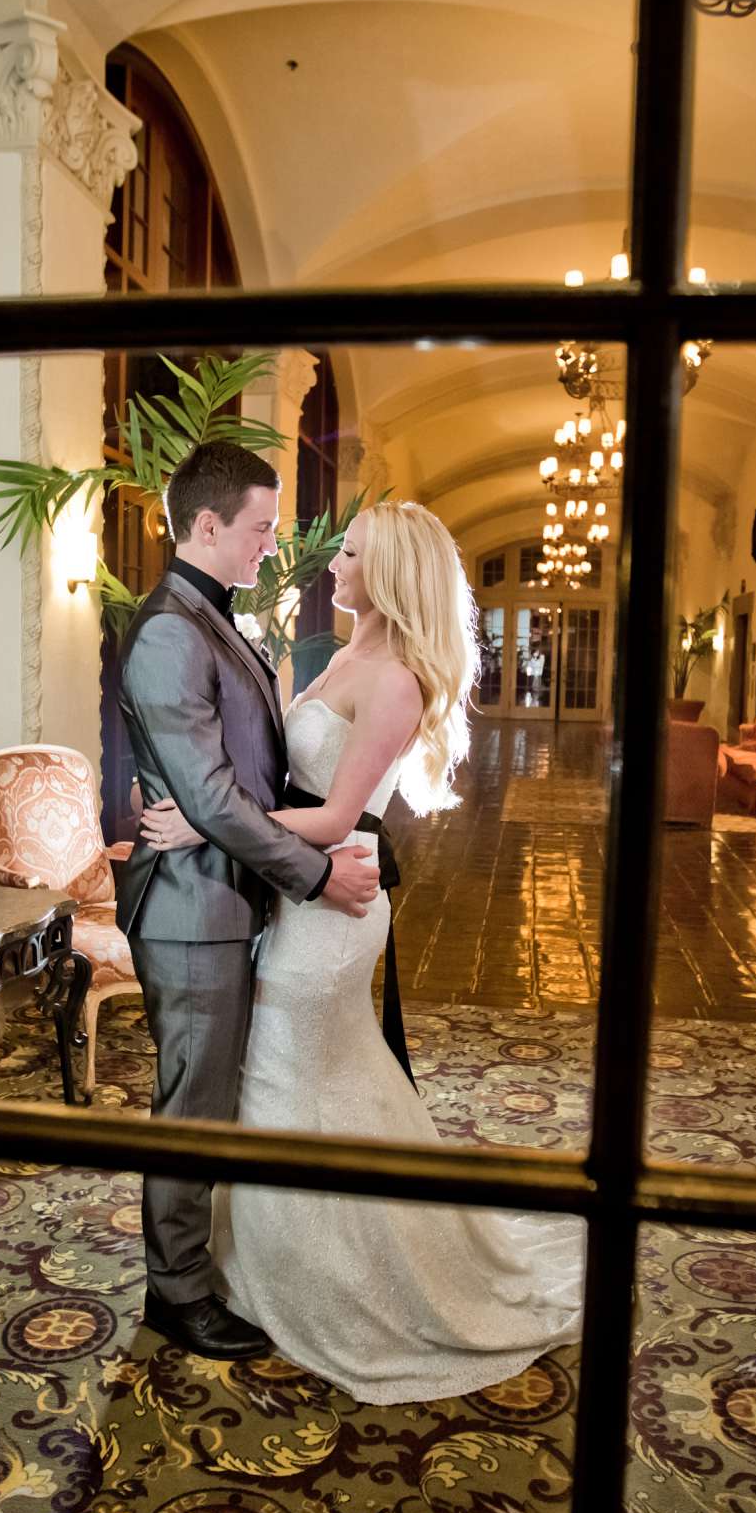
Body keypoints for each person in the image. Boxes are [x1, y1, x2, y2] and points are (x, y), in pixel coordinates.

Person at [139, 499, 585, 1404]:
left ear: (389, 574)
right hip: (300, 887)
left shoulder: (394, 680)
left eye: (348, 554)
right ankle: (257, 1265)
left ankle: (355, 1281)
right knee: (285, 1074)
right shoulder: (347, 654)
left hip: (329, 907)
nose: (328, 565)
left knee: (297, 1070)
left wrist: (200, 824)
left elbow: (342, 817)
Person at [115, 441, 383, 1362]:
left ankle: (199, 1264)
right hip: (188, 910)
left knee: (214, 1094)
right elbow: (210, 796)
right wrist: (315, 874)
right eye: (262, 529)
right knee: (193, 1102)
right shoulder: (166, 631)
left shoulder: (215, 620)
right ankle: (174, 1290)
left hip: (225, 894)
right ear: (206, 525)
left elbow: (247, 781)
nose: (275, 545)